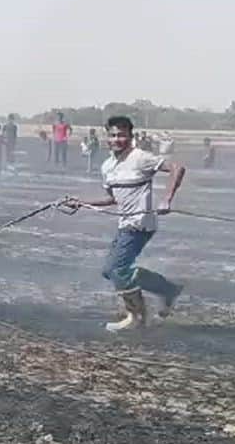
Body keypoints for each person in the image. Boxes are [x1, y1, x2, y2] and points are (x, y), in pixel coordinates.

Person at [62, 115, 186, 332]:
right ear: (107, 137)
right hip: (124, 223)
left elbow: (177, 168)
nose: (117, 139)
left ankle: (137, 317)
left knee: (116, 269)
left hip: (140, 224)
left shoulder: (140, 158)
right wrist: (81, 203)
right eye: (113, 135)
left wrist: (166, 199)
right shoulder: (108, 166)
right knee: (110, 271)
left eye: (122, 135)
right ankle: (167, 289)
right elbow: (114, 199)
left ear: (130, 136)